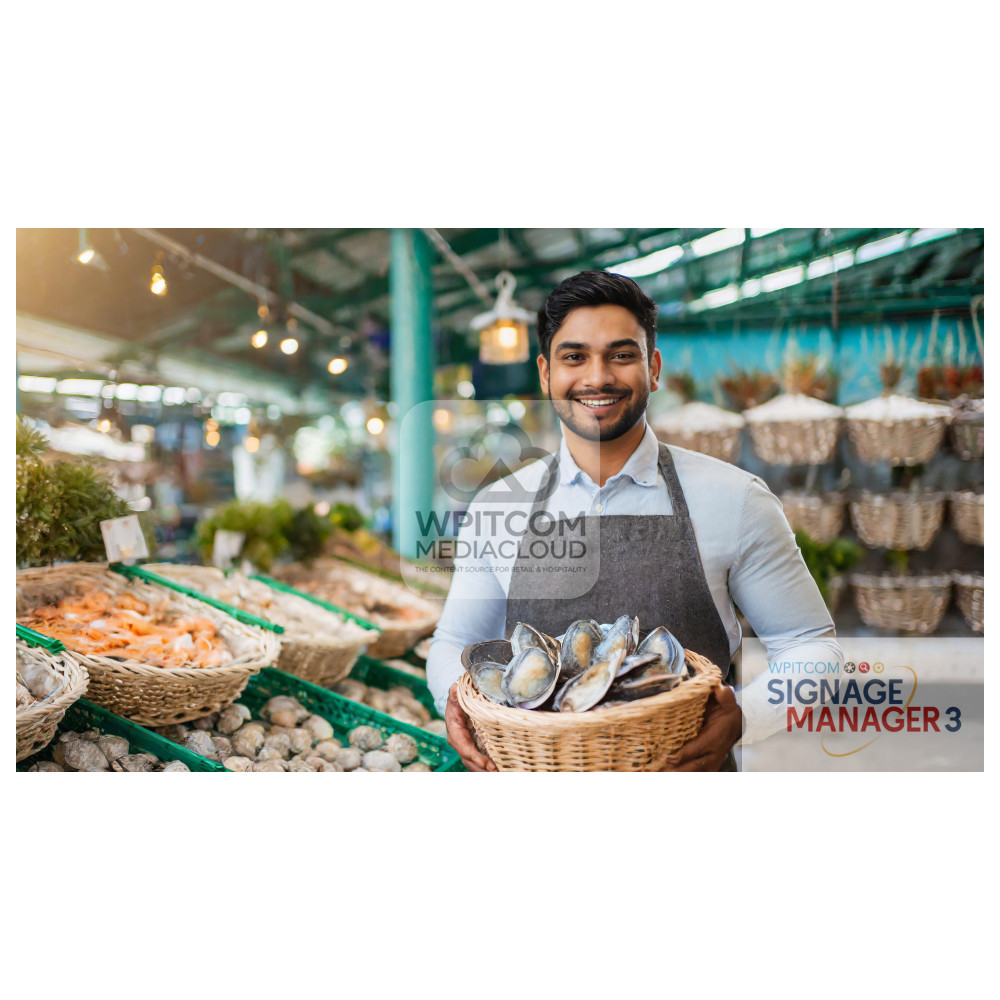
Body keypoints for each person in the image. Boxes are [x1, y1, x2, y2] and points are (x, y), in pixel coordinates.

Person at [426, 270, 844, 771]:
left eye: (621, 355)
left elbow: (811, 647)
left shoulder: (735, 499)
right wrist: (456, 698)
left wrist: (746, 716)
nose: (597, 377)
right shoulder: (498, 507)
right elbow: (453, 642)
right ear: (545, 373)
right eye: (574, 356)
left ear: (654, 368)